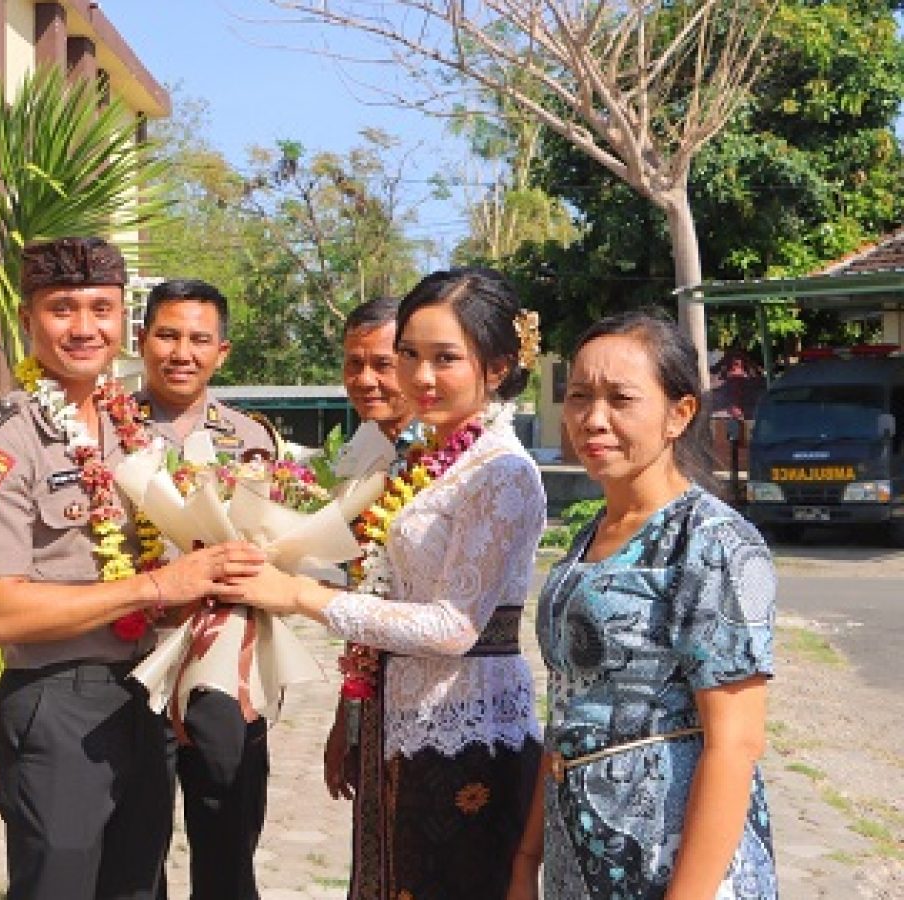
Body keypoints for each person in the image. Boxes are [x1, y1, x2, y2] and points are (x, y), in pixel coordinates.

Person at [0, 237, 265, 900]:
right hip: (61, 700)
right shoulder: (0, 440)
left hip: (145, 694)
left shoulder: (131, 428)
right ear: (27, 321)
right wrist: (152, 587)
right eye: (62, 309)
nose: (84, 327)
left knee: (139, 888)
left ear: (123, 324)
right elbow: (0, 612)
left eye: (101, 308)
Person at [236, 267, 546, 898]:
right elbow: (387, 591)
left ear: (498, 365)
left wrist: (303, 597)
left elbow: (454, 625)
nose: (421, 377)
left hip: (466, 728)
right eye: (409, 354)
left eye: (445, 358)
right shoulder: (432, 459)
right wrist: (353, 710)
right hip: (400, 715)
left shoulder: (500, 473)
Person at [507, 312, 777, 899]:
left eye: (620, 399)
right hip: (577, 853)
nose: (593, 419)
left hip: (670, 859)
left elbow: (735, 742)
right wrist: (527, 859)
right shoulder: (590, 537)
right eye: (578, 396)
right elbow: (568, 704)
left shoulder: (715, 543)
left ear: (679, 414)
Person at [133, 278, 277, 900]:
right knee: (134, 842)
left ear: (222, 352)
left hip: (223, 665)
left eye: (198, 339)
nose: (181, 352)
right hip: (130, 660)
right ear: (142, 341)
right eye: (167, 335)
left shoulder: (253, 440)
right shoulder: (104, 432)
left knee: (227, 831)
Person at [321, 297, 417, 808]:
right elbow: (365, 588)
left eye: (382, 364)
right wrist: (348, 719)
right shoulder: (358, 455)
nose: (365, 379)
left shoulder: (447, 456)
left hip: (438, 700)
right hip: (373, 691)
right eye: (353, 363)